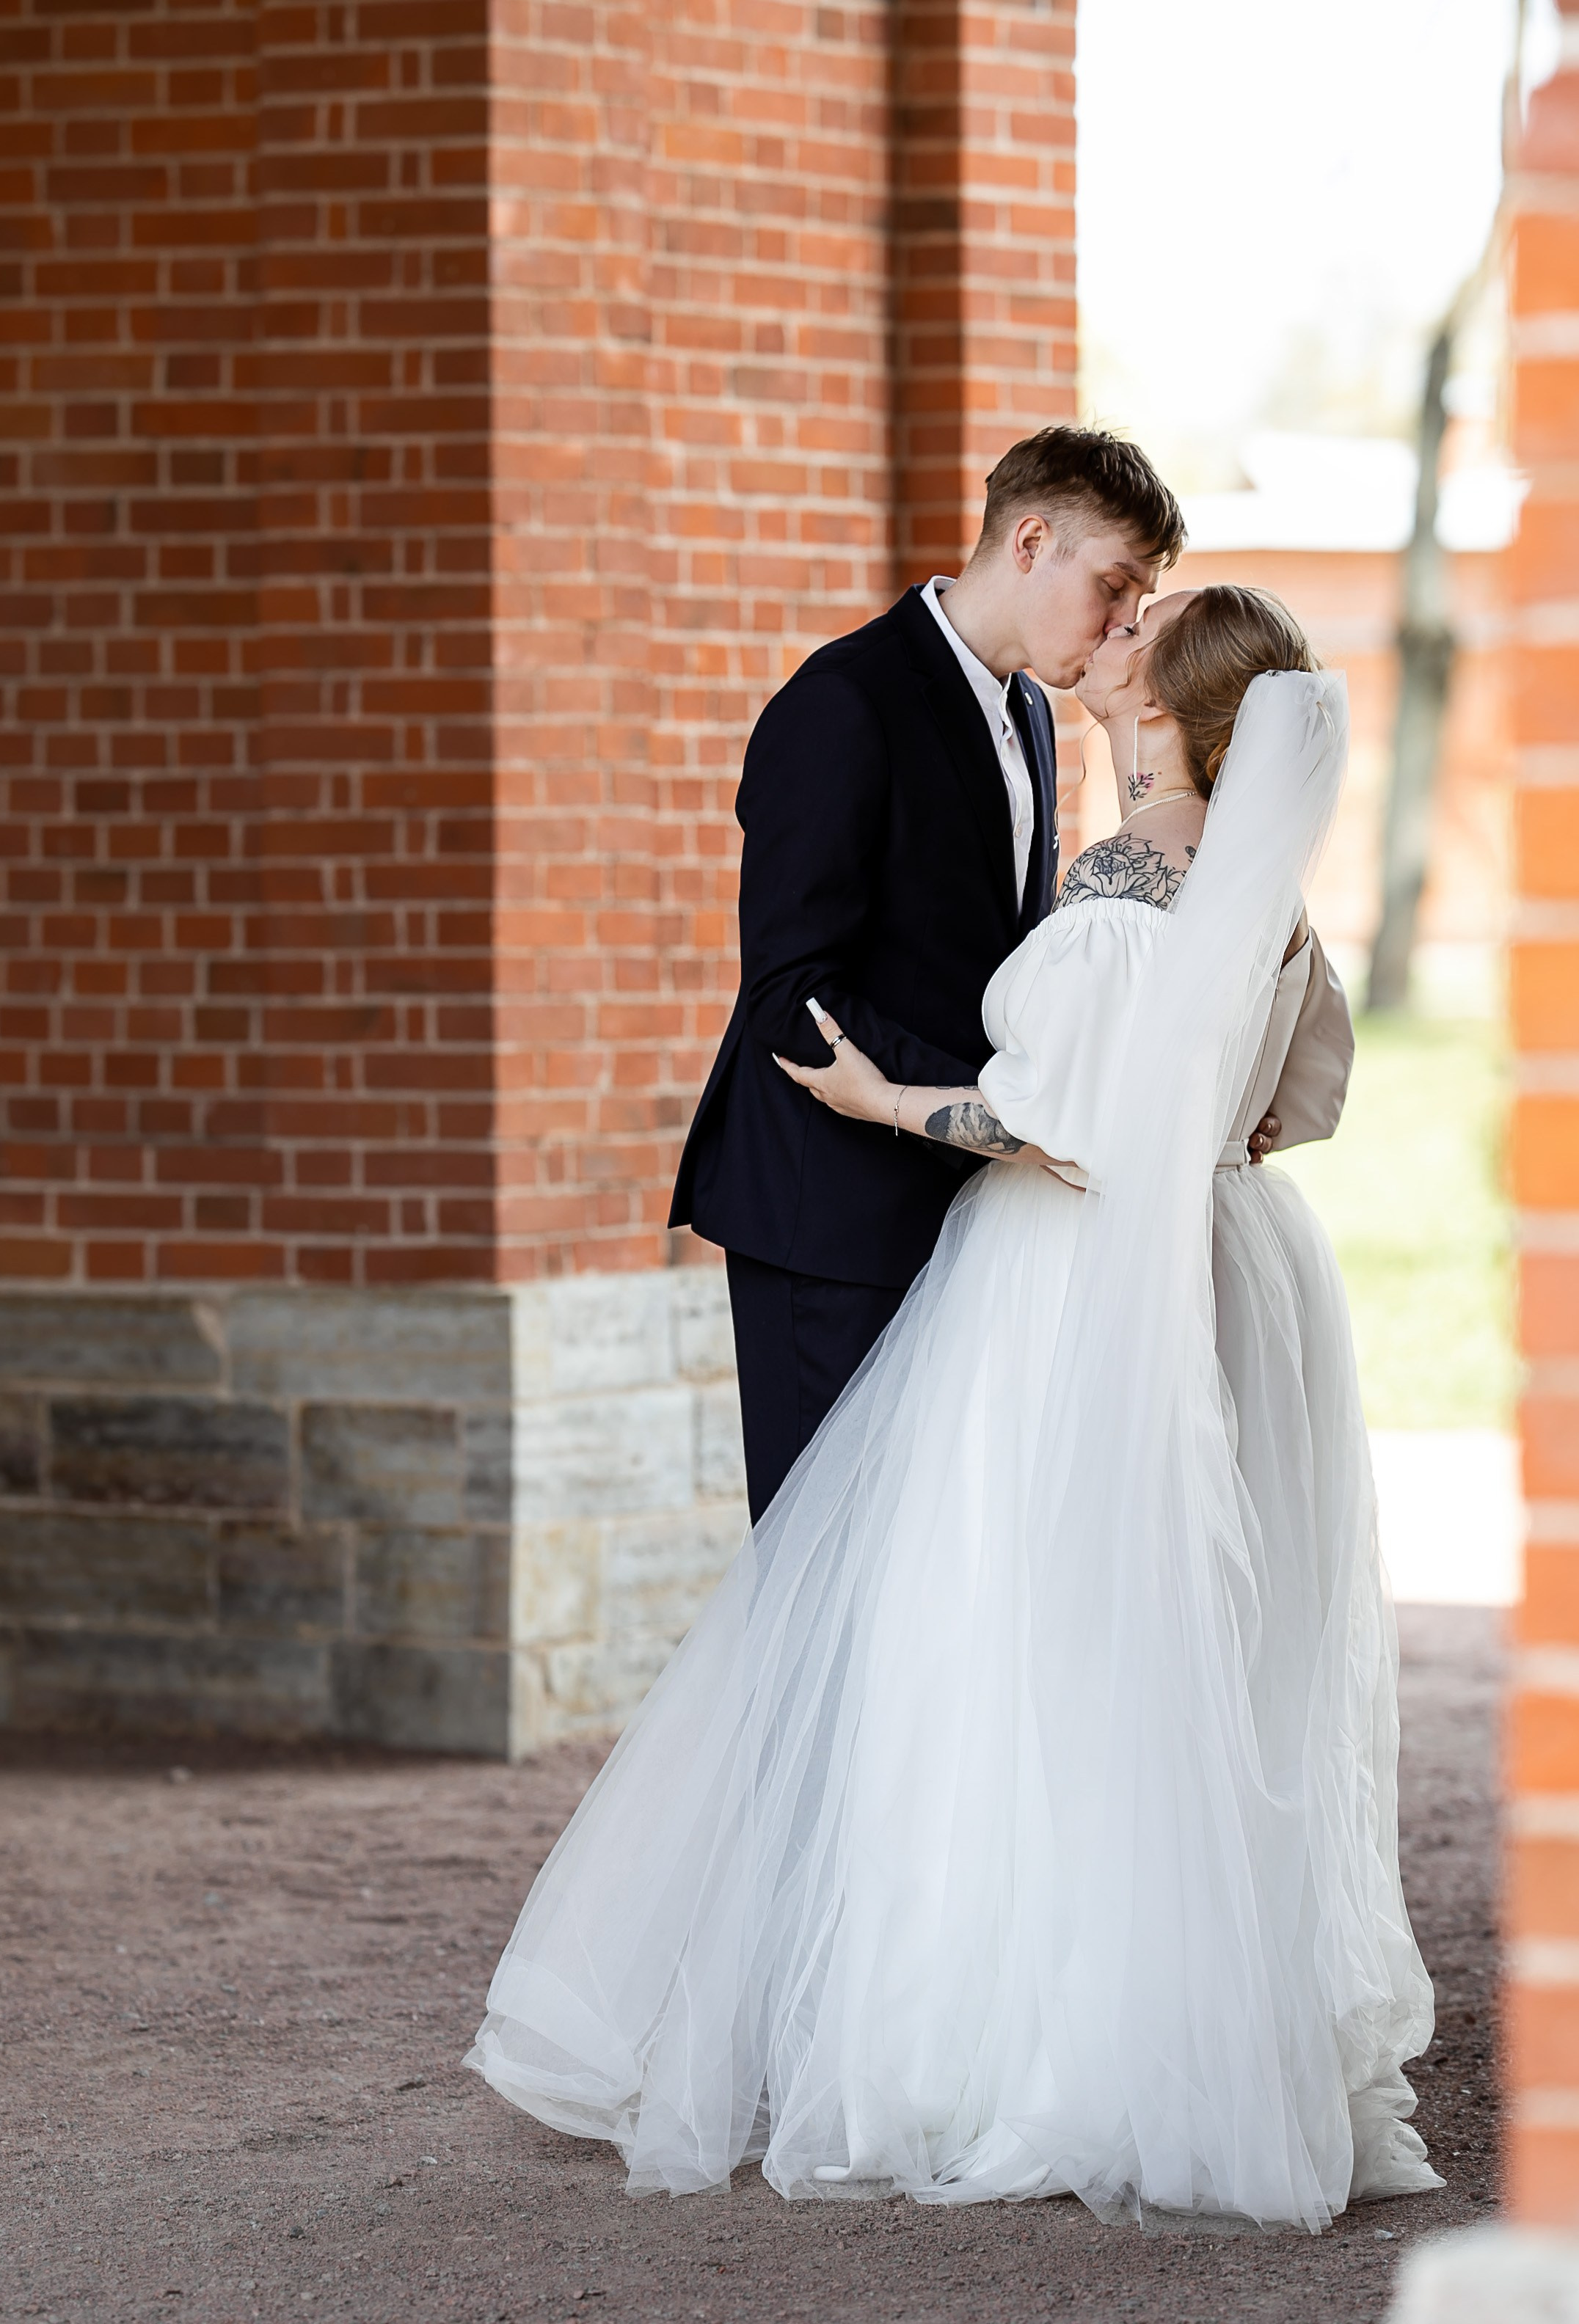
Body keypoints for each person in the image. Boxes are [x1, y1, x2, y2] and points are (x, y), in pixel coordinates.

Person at [466, 583, 1440, 2232]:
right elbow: (1305, 1097)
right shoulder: (1267, 906)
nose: (1114, 631)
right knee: (1168, 1662)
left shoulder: (1135, 890)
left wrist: (883, 1093)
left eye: (1146, 631)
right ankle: (1163, 2019)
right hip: (1235, 1266)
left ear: (1168, 710)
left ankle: (1001, 2047)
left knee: (1002, 1647)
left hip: (1066, 1289)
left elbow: (1058, 1119)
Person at [670, 426, 1188, 1522]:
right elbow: (790, 996)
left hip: (965, 1196)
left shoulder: (1034, 717)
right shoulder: (844, 700)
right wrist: (989, 1107)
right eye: (1113, 587)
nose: (1124, 626)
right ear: (1033, 540)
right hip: (832, 1215)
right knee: (830, 1584)